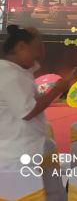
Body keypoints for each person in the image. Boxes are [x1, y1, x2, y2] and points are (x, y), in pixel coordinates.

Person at [0, 25, 73, 169]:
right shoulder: (10, 75)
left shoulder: (19, 68)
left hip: (34, 144)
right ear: (21, 47)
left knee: (53, 189)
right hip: (18, 153)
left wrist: (37, 38)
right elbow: (27, 112)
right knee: (30, 190)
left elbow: (40, 58)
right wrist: (56, 90)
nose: (37, 54)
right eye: (34, 49)